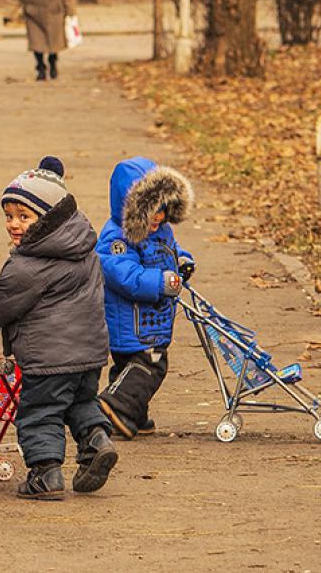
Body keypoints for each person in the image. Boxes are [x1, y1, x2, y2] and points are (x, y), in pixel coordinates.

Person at [0, 157, 117, 500]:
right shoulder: (85, 250)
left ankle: (45, 474)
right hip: (89, 353)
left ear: (49, 219)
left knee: (40, 412)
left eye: (24, 217)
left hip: (48, 357)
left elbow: (2, 300)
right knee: (80, 401)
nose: (14, 224)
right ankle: (96, 441)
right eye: (9, 216)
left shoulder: (29, 265)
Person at [95, 157, 195, 439]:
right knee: (151, 365)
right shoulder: (116, 237)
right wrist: (160, 282)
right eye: (152, 212)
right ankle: (115, 405)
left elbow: (170, 250)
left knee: (130, 368)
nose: (159, 218)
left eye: (163, 210)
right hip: (132, 321)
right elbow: (121, 273)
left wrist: (183, 261)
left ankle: (133, 415)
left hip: (152, 319)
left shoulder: (162, 230)